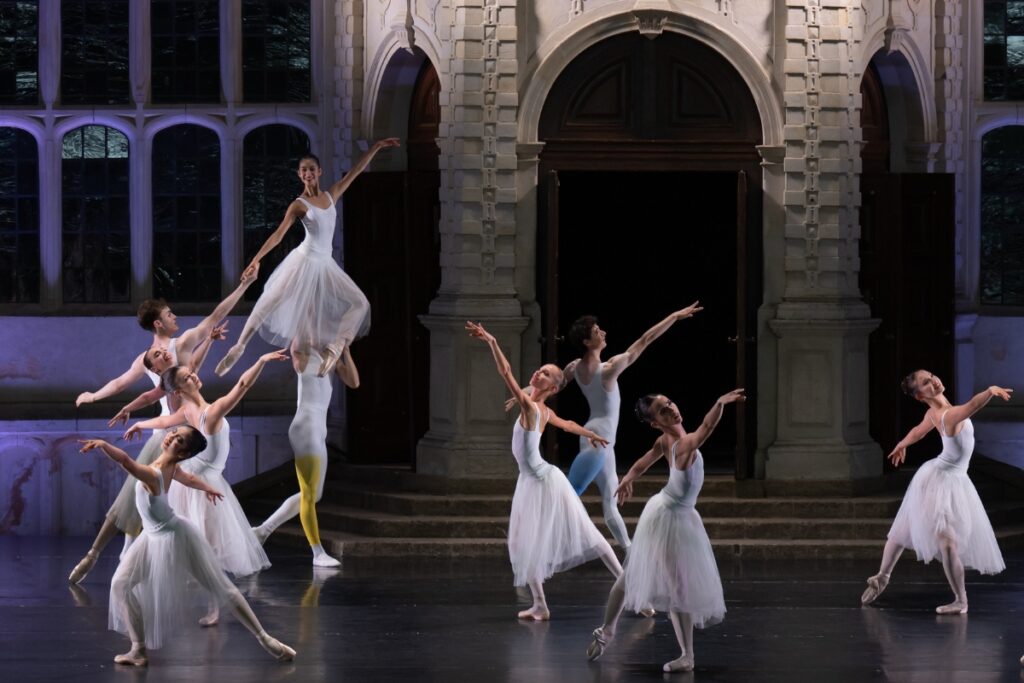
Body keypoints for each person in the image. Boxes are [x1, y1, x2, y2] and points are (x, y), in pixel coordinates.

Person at [68, 271, 257, 583]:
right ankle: (108, 556)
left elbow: (215, 317)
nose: (176, 317)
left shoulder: (182, 346)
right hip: (165, 435)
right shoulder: (148, 358)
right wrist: (94, 395)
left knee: (165, 506)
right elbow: (126, 384)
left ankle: (183, 570)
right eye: (170, 314)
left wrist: (244, 286)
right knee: (135, 497)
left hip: (184, 435)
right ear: (158, 324)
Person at [79, 430, 295, 666]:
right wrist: (207, 488)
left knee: (222, 587)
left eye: (178, 440)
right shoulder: (169, 467)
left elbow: (125, 461)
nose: (171, 438)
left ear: (183, 453)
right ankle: (138, 649)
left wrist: (103, 445)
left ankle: (265, 639)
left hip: (172, 538)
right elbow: (187, 478)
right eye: (173, 434)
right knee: (120, 584)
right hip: (153, 537)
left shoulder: (154, 473)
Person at [509, 303, 702, 550]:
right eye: (598, 331)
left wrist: (522, 394)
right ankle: (533, 540)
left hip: (604, 443)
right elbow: (645, 340)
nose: (604, 334)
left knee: (610, 503)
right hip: (597, 440)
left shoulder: (574, 367)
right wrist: (674, 316)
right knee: (570, 493)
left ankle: (630, 555)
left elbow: (550, 386)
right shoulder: (609, 369)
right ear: (588, 341)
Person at [467, 321, 623, 621]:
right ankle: (540, 604)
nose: (539, 372)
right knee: (519, 542)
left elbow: (506, 373)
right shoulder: (543, 409)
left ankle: (623, 579)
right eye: (541, 369)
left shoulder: (530, 407)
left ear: (552, 387)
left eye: (547, 373)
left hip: (543, 479)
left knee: (586, 531)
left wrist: (491, 341)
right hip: (530, 480)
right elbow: (567, 424)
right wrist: (589, 434)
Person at [587, 388, 744, 672]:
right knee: (660, 583)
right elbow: (706, 427)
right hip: (668, 518)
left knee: (661, 583)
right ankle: (679, 653)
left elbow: (641, 464)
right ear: (656, 423)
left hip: (673, 515)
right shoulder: (680, 445)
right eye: (662, 410)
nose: (671, 409)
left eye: (669, 403)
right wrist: (719, 402)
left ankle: (611, 632)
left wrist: (628, 479)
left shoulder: (669, 441)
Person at [215, 139, 400, 378]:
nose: (308, 173)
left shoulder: (331, 195)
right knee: (269, 299)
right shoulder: (298, 205)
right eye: (303, 169)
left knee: (361, 303)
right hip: (303, 260)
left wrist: (375, 148)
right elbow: (278, 235)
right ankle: (238, 347)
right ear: (299, 175)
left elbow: (355, 172)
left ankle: (336, 346)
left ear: (319, 171)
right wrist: (255, 260)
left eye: (312, 168)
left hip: (325, 264)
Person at [861, 371, 1010, 614]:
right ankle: (959, 600)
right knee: (943, 541)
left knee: (913, 530)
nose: (934, 381)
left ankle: (883, 576)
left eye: (931, 376)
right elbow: (972, 405)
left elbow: (918, 431)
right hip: (943, 480)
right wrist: (990, 390)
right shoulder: (948, 415)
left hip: (946, 477)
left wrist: (902, 443)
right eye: (926, 383)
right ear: (920, 395)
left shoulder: (935, 413)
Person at [252, 344, 360, 566]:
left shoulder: (331, 355)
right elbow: (303, 348)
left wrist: (345, 352)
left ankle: (262, 531)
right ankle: (317, 552)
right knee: (310, 494)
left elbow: (354, 382)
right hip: (306, 428)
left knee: (313, 494)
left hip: (317, 430)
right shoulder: (302, 350)